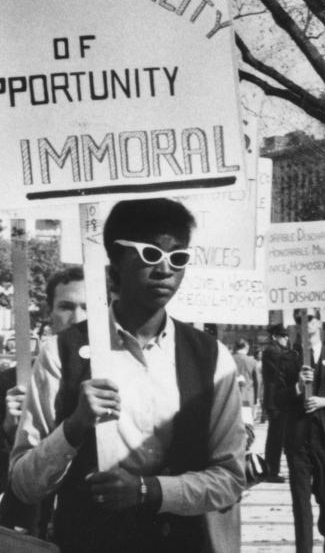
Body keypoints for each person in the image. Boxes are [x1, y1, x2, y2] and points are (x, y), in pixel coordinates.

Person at [9, 197, 246, 553]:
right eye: (151, 254)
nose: (166, 269)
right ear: (114, 263)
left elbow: (230, 478)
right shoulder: (62, 352)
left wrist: (149, 490)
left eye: (178, 258)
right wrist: (73, 428)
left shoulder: (212, 358)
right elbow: (24, 484)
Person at [0, 266, 87, 537]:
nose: (78, 318)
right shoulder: (10, 382)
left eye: (87, 307)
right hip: (26, 530)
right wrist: (7, 434)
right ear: (50, 312)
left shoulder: (117, 377)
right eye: (66, 306)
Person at [277, 314, 325, 553]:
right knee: (300, 503)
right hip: (298, 441)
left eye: (310, 318)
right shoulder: (288, 359)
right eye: (300, 319)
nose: (306, 324)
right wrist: (297, 387)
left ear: (319, 323)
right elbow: (276, 399)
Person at [262, 322, 297, 483]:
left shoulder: (280, 351)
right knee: (276, 438)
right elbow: (284, 363)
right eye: (283, 336)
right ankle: (271, 471)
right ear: (275, 337)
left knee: (278, 436)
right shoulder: (272, 351)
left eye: (287, 336)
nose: (286, 339)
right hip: (275, 401)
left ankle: (272, 470)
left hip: (281, 400)